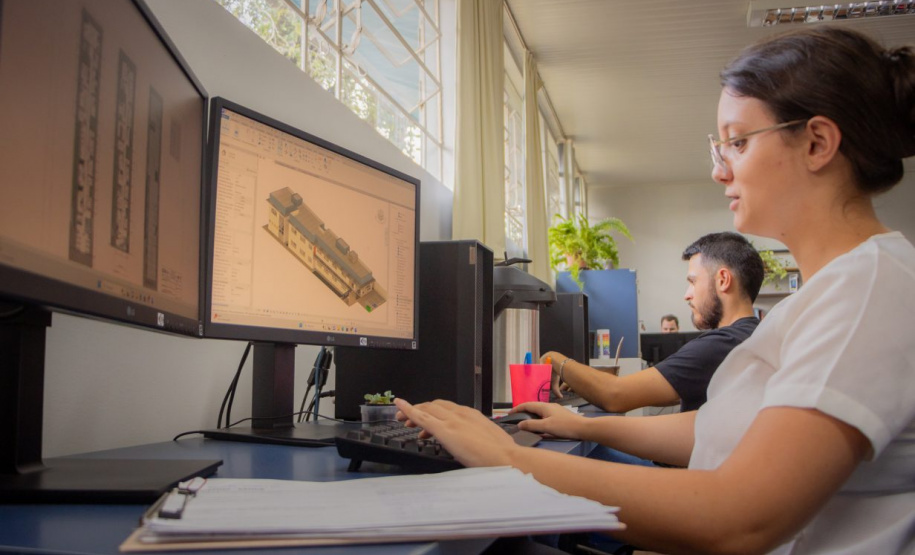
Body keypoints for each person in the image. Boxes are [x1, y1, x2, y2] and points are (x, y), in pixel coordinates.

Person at [396, 26, 915, 554]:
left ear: (817, 143)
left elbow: (740, 518)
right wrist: (581, 428)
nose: (719, 170)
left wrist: (506, 458)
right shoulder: (824, 296)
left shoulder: (868, 288)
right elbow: (712, 430)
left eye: (737, 142)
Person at [545, 231, 763, 414]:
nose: (687, 295)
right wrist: (589, 382)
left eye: (693, 282)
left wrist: (553, 358)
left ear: (723, 280)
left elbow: (615, 395)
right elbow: (672, 390)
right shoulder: (751, 336)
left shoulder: (722, 343)